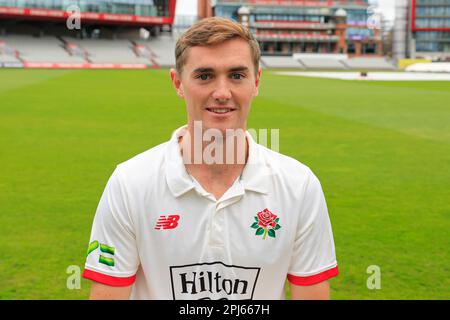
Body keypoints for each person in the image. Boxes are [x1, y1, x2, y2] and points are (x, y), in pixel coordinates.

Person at [82, 17, 339, 300]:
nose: (221, 93)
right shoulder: (129, 183)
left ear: (256, 82)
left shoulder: (299, 185)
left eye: (237, 76)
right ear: (178, 83)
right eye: (204, 76)